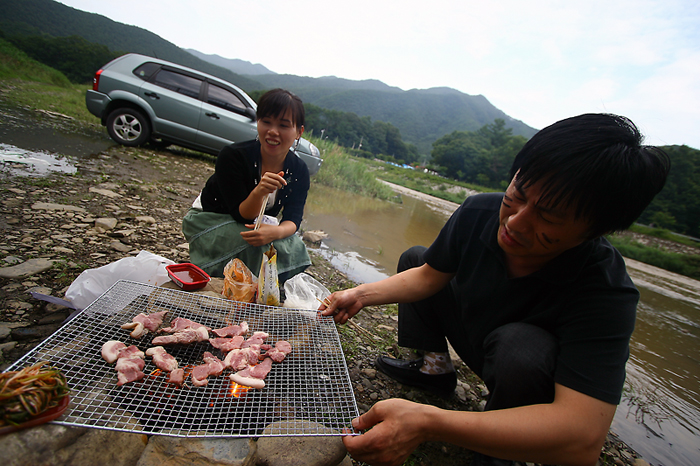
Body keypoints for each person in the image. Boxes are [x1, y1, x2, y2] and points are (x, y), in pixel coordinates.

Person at [320, 113, 670, 466]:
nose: (515, 222)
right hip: (476, 339)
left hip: (521, 373)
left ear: (593, 231)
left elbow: (582, 439)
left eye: (548, 216)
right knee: (417, 258)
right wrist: (360, 294)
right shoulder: (479, 211)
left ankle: (502, 444)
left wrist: (428, 422)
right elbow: (428, 277)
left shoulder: (606, 289)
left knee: (522, 347)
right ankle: (435, 369)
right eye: (518, 193)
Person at [183, 88, 311, 282]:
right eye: (266, 122)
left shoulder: (299, 170)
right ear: (258, 122)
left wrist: (275, 232)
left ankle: (252, 280)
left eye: (284, 126)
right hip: (210, 219)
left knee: (295, 245)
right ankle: (221, 270)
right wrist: (260, 191)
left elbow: (293, 219)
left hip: (249, 224)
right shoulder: (233, 156)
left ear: (298, 131)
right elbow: (241, 213)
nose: (273, 132)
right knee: (256, 241)